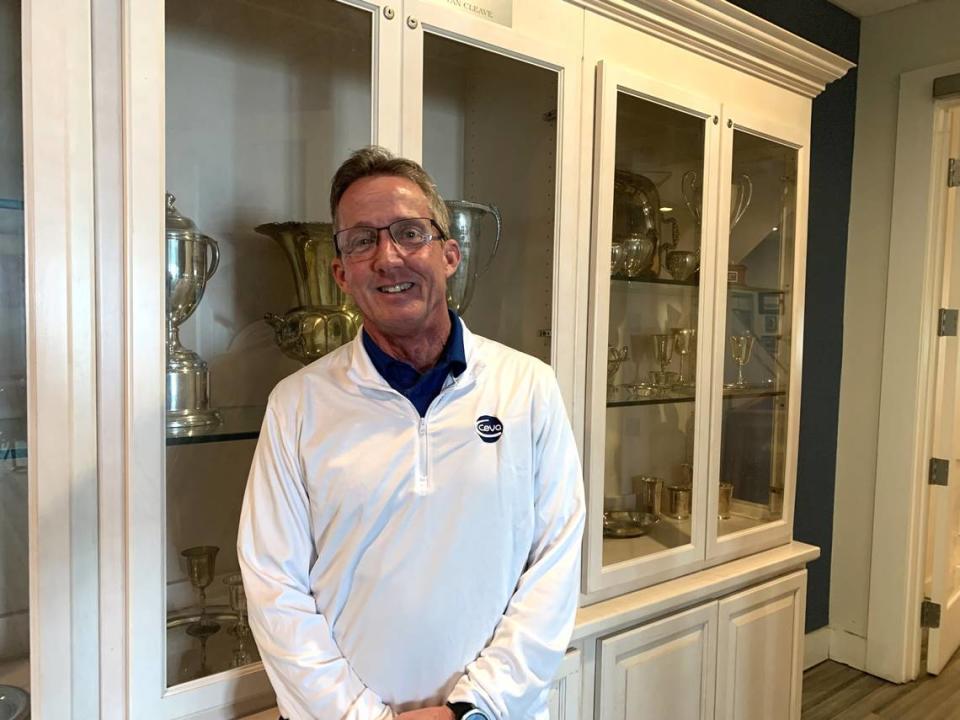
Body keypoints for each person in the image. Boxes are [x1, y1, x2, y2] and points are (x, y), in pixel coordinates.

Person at [237, 146, 585, 720]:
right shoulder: (296, 405)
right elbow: (274, 585)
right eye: (361, 240)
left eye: (409, 233)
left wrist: (475, 708)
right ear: (340, 273)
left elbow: (554, 565)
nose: (388, 257)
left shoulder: (529, 388)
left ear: (450, 254)